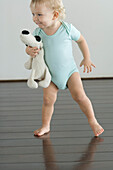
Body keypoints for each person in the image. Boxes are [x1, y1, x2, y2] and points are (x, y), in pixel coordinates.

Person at [26, 0, 104, 137]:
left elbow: (81, 40)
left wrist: (87, 58)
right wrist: (29, 51)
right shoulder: (38, 32)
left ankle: (93, 121)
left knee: (80, 96)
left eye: (39, 14)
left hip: (69, 72)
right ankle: (45, 125)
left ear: (55, 15)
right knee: (48, 100)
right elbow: (31, 46)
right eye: (33, 14)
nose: (35, 18)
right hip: (49, 74)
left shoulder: (67, 29)